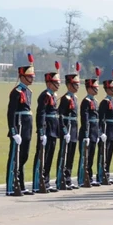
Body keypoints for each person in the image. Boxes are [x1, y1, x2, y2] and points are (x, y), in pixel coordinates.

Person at [7, 53, 35, 196]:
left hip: (27, 128)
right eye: (29, 76)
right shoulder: (16, 92)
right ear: (22, 76)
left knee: (23, 157)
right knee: (15, 158)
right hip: (18, 127)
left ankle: (21, 184)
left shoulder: (28, 91)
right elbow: (11, 113)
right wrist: (13, 131)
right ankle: (12, 185)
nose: (32, 78)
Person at [32, 62, 61, 194]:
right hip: (47, 129)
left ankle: (46, 181)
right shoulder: (45, 95)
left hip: (53, 130)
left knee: (49, 156)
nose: (58, 84)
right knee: (41, 156)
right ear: (49, 83)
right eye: (56, 82)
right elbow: (41, 113)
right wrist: (41, 131)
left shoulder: (53, 96)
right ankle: (38, 182)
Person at [57, 62, 82, 191]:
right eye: (75, 84)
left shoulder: (75, 98)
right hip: (67, 127)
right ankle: (60, 178)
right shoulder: (65, 98)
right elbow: (60, 115)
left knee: (71, 154)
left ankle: (68, 178)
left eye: (78, 84)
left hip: (74, 128)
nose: (77, 86)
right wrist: (64, 130)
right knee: (64, 155)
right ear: (69, 85)